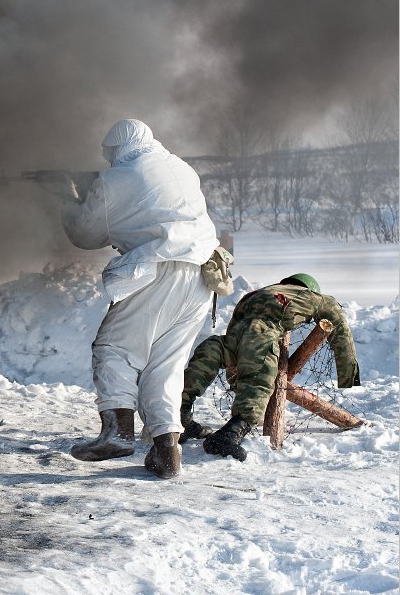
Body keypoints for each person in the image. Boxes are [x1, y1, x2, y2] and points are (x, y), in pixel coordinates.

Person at [60, 119, 219, 479]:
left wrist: (65, 197)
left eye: (109, 153)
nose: (108, 159)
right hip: (201, 275)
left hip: (158, 268)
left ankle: (117, 435)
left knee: (113, 349)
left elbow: (85, 234)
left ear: (117, 149)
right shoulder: (181, 167)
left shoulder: (116, 179)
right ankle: (167, 450)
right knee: (166, 365)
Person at [180, 273, 360, 461]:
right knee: (260, 376)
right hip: (262, 337)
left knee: (207, 356)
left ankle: (179, 415)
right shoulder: (319, 299)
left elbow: (234, 335)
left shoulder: (254, 294)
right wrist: (349, 376)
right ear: (310, 289)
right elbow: (341, 334)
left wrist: (237, 384)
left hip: (233, 338)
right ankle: (229, 435)